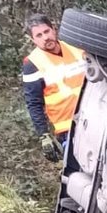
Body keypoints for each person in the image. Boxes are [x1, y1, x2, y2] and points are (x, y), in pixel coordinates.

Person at [21, 13, 85, 162]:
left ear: (54, 29)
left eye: (46, 31)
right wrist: (44, 135)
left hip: (98, 116)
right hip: (68, 128)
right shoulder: (32, 64)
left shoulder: (77, 47)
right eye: (39, 35)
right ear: (33, 40)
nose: (45, 38)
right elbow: (34, 103)